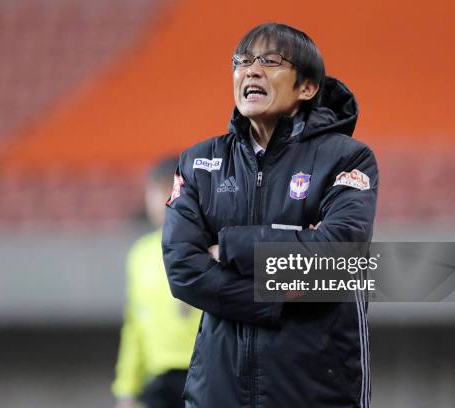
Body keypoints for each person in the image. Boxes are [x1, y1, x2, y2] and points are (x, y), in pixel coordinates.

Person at [162, 23, 378, 408]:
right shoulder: (199, 163)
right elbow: (183, 270)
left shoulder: (348, 158)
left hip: (317, 390)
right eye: (241, 61)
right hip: (218, 391)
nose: (251, 70)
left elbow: (338, 258)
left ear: (307, 88)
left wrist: (229, 246)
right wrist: (276, 297)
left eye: (270, 61)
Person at [112, 157, 202, 408]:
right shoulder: (140, 255)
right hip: (159, 377)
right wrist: (126, 389)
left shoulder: (212, 246)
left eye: (170, 190)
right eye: (156, 191)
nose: (163, 201)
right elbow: (134, 326)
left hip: (206, 372)